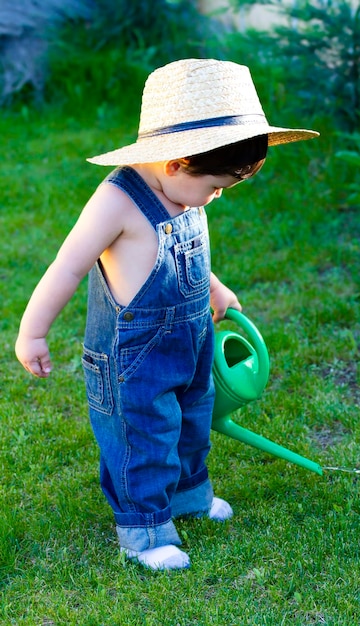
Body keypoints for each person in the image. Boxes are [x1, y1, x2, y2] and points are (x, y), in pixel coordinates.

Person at [15, 58, 319, 571]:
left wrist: (215, 287)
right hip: (134, 356)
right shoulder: (117, 202)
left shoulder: (184, 188)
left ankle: (188, 497)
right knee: (144, 433)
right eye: (215, 186)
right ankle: (144, 530)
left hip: (191, 334)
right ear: (176, 163)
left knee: (193, 418)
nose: (216, 196)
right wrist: (32, 332)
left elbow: (188, 252)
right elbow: (67, 267)